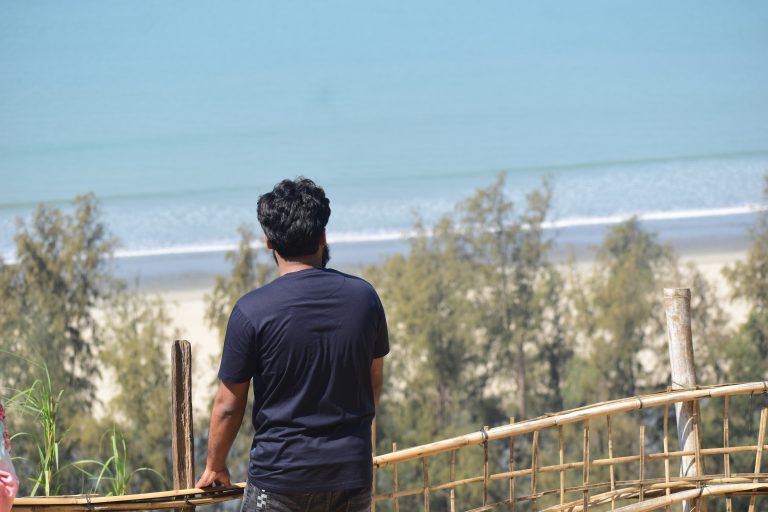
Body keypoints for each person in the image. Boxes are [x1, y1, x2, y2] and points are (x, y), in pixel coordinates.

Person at [197, 178, 389, 512]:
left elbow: (228, 405)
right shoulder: (364, 299)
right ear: (323, 236)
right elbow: (373, 380)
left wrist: (215, 465)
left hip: (281, 478)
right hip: (351, 472)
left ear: (269, 241)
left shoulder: (251, 311)